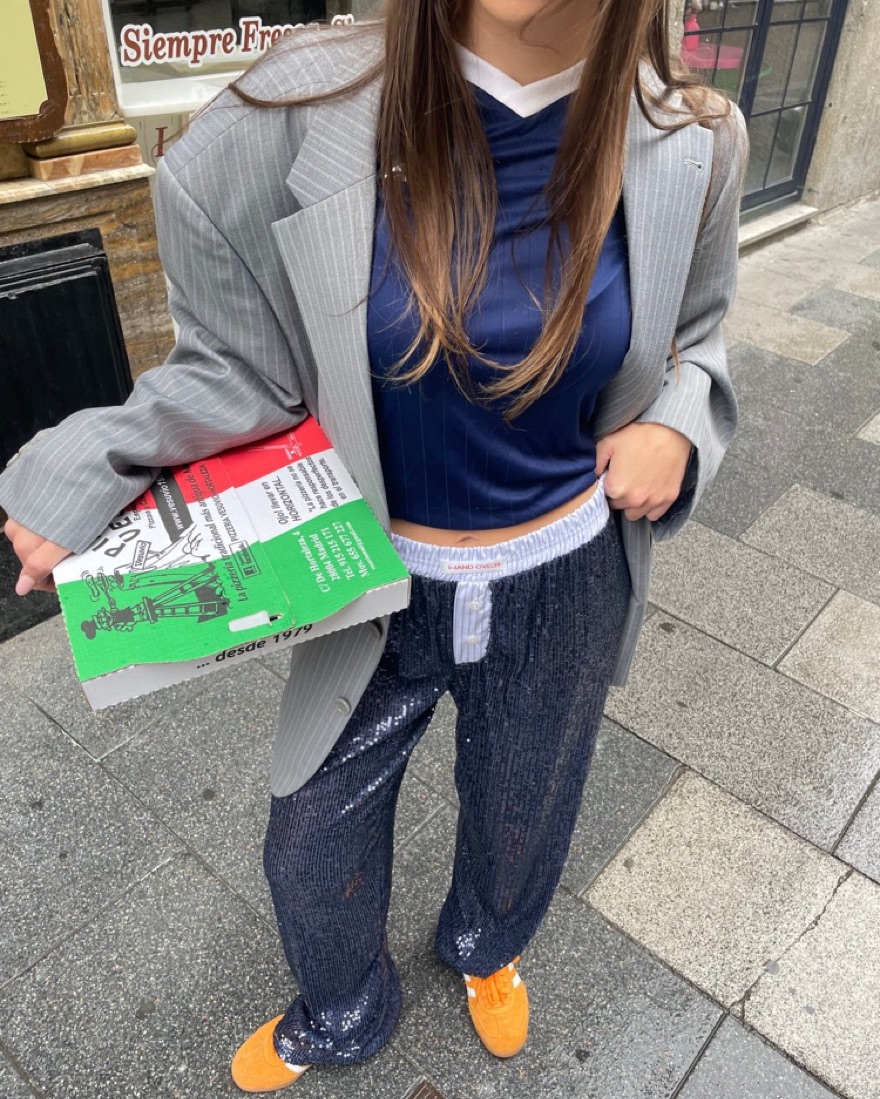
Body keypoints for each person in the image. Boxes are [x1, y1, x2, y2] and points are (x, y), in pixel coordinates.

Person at [1, 0, 747, 1091]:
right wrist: (91, 465)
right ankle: (344, 1010)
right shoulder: (295, 105)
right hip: (374, 579)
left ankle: (486, 946)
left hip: (567, 572)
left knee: (525, 807)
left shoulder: (694, 136)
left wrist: (677, 420)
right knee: (311, 836)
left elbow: (699, 331)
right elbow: (237, 365)